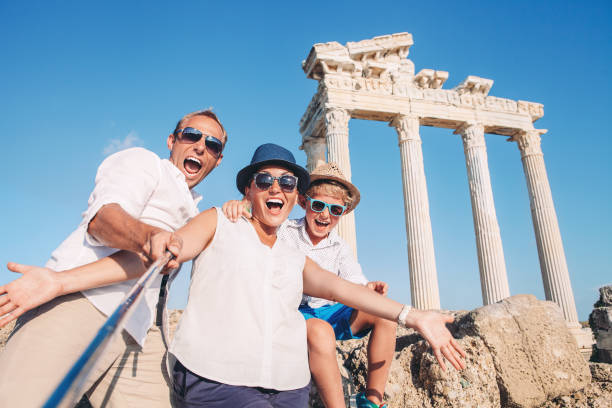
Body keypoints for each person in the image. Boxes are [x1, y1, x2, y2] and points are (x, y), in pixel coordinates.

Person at [2, 143, 465, 408]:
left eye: (287, 183)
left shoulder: (292, 252)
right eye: (265, 181)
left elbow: (342, 288)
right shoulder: (219, 221)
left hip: (286, 384)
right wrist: (60, 282)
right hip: (218, 379)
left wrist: (413, 315)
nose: (277, 189)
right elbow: (157, 256)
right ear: (248, 188)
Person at [0, 109, 227, 407]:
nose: (201, 145)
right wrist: (148, 237)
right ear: (172, 140)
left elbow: (146, 266)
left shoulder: (195, 211)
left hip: (141, 333)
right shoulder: (144, 162)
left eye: (212, 144)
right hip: (79, 304)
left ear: (218, 159)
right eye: (192, 135)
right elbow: (103, 218)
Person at [222, 162, 396, 408]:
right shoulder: (285, 230)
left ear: (343, 213)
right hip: (292, 313)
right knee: (319, 331)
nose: (325, 214)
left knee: (385, 313)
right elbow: (259, 220)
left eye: (335, 210)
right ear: (303, 203)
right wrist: (243, 205)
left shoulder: (340, 248)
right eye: (318, 206)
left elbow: (356, 282)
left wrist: (369, 289)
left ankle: (372, 401)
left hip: (330, 313)